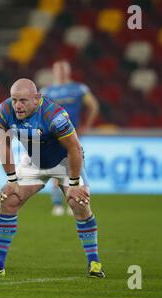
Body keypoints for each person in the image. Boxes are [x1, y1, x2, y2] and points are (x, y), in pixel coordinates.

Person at [0, 79, 105, 278]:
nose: (17, 105)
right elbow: (5, 145)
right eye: (14, 100)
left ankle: (94, 263)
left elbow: (74, 148)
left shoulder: (55, 115)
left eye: (23, 101)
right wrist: (11, 181)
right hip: (34, 160)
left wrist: (74, 185)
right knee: (9, 199)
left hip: (64, 161)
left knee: (78, 202)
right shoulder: (4, 111)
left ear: (37, 99)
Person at [40, 60, 99, 216]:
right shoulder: (46, 91)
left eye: (63, 69)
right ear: (53, 72)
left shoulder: (79, 88)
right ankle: (57, 204)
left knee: (75, 167)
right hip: (53, 135)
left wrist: (87, 125)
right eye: (57, 69)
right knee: (56, 168)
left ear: (68, 71)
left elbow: (93, 106)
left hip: (72, 134)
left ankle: (76, 200)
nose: (60, 72)